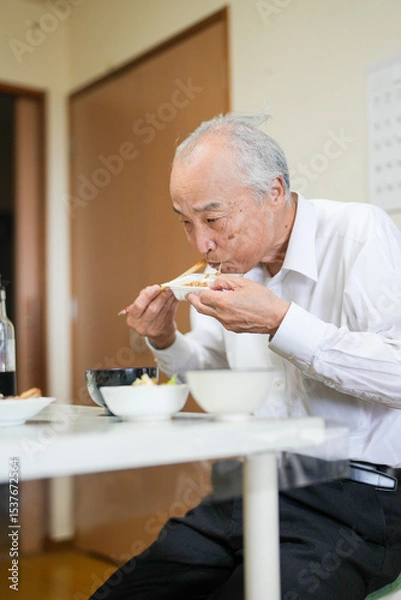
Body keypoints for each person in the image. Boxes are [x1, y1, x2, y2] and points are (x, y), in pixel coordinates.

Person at [90, 112, 401, 599]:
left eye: (213, 219)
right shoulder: (228, 270)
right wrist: (166, 339)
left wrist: (282, 322)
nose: (201, 244)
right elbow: (211, 372)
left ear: (273, 192)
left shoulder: (358, 235)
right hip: (246, 484)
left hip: (353, 500)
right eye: (186, 224)